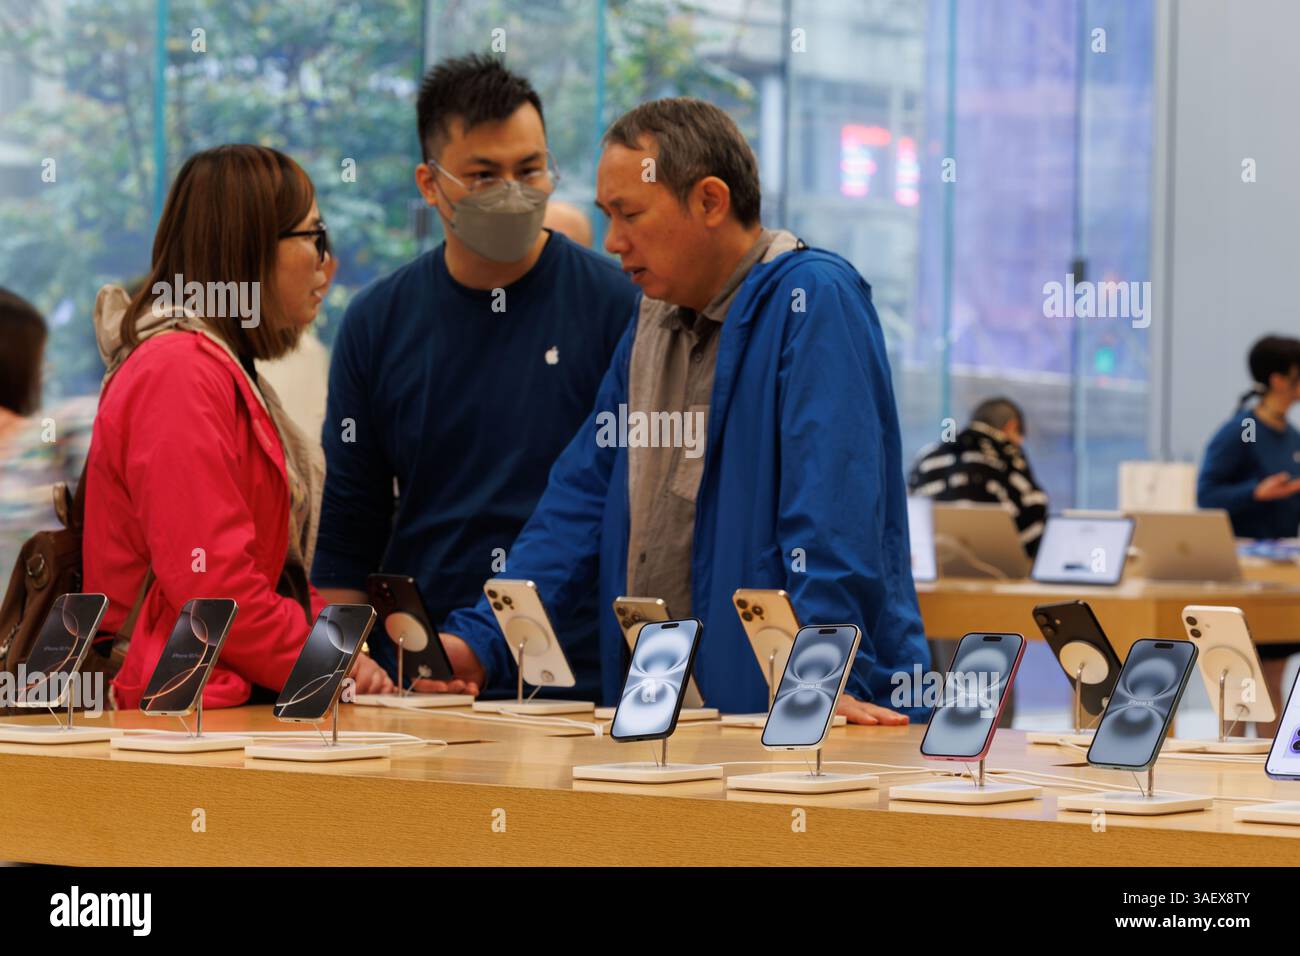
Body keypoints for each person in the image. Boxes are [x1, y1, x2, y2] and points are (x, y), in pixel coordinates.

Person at [425, 97, 929, 724]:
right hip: (660, 702)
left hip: (803, 705)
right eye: (607, 216)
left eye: (630, 213)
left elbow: (833, 517)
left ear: (710, 201)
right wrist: (482, 642)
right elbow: (579, 501)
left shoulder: (812, 298)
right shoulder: (651, 320)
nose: (612, 242)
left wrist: (826, 673)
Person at [312, 55, 638, 699]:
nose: (513, 191)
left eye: (530, 168)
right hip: (423, 671)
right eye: (484, 175)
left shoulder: (618, 306)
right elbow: (351, 524)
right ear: (430, 184)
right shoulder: (378, 321)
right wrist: (339, 672)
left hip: (580, 675)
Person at [84, 144, 393, 710]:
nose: (330, 262)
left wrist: (350, 652)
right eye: (315, 236)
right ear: (250, 247)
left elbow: (262, 576)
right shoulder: (178, 371)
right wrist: (334, 659)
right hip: (179, 717)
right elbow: (216, 590)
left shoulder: (214, 367)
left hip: (206, 707)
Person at [1198, 334, 1300, 736]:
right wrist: (1254, 493)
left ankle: (1271, 775)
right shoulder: (1246, 429)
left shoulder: (1291, 435)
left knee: (1273, 676)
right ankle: (1233, 768)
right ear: (1278, 379)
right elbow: (1208, 493)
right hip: (1242, 577)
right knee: (1240, 680)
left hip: (1281, 577)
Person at [908, 396, 1048, 558]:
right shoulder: (1008, 455)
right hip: (999, 567)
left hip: (933, 564)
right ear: (1011, 427)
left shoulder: (928, 456)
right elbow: (1036, 513)